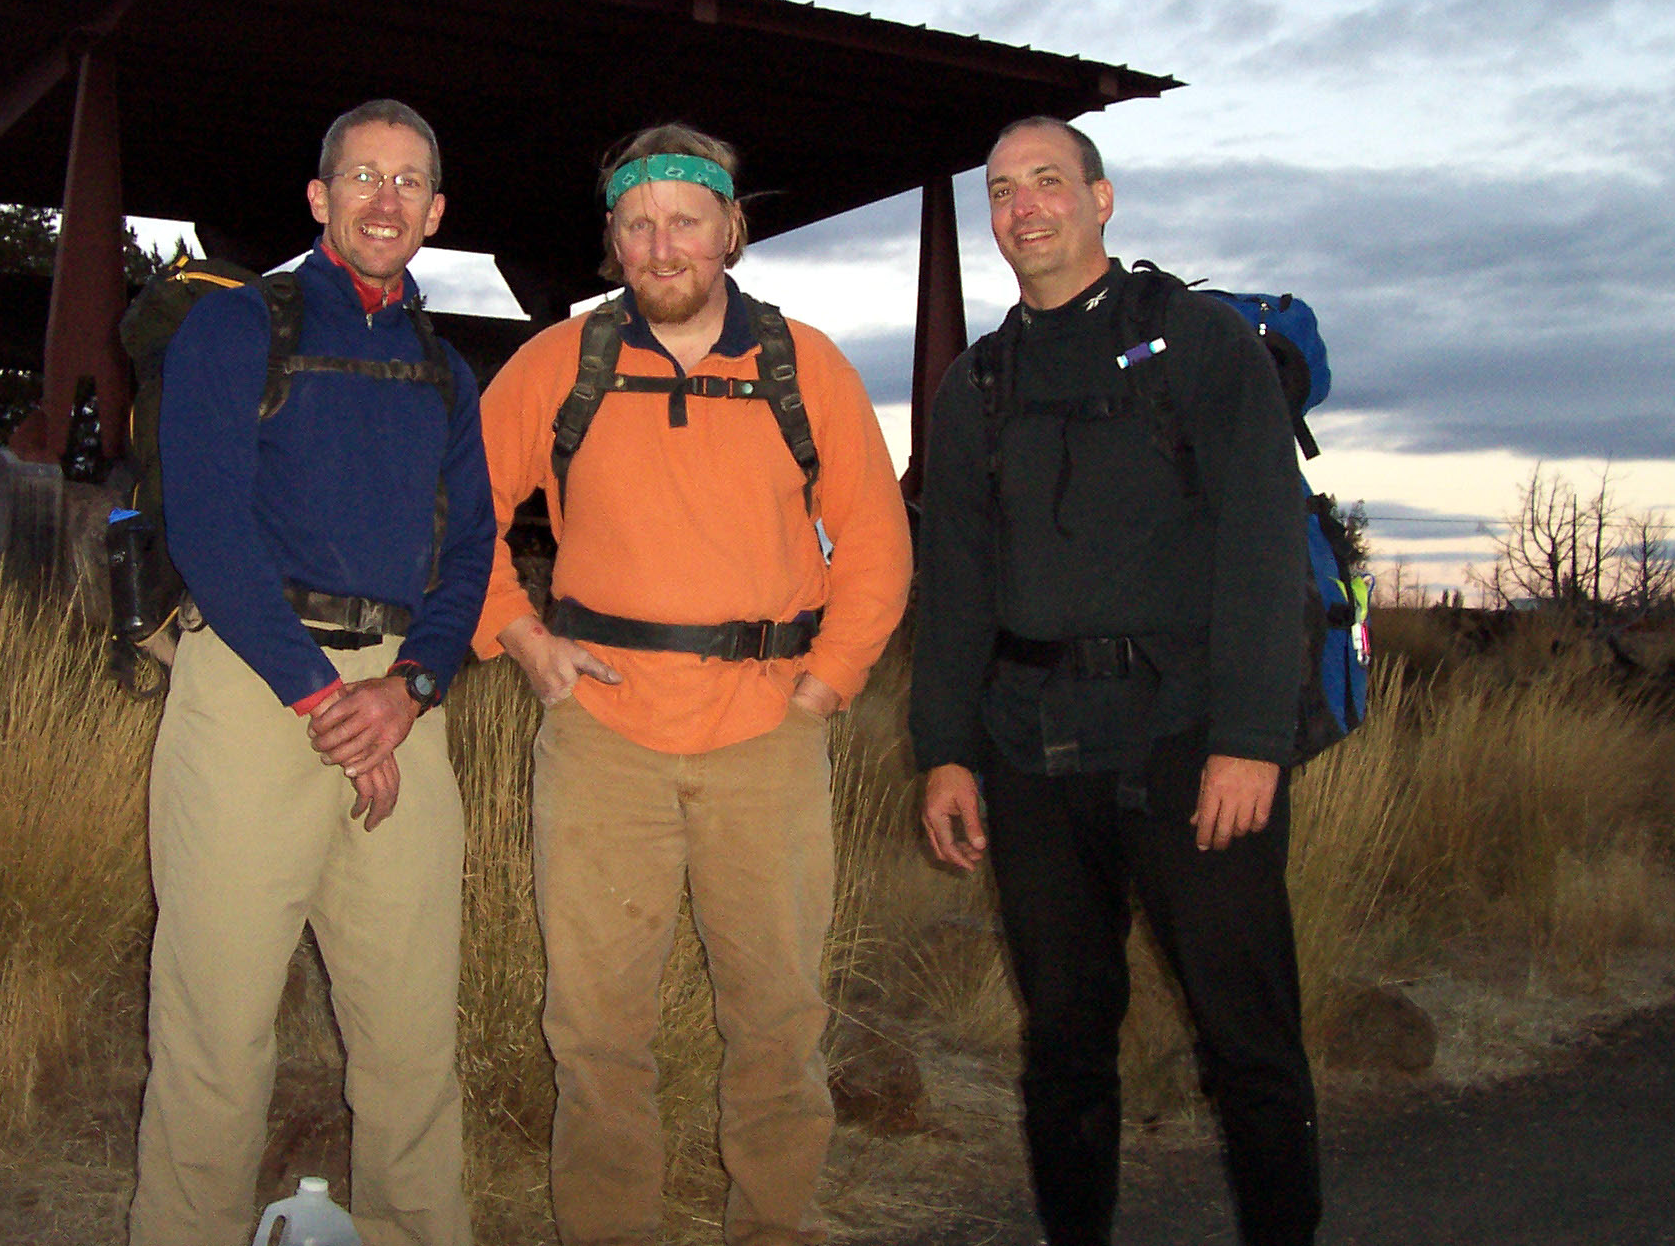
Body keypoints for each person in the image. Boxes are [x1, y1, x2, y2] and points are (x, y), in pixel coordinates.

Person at [474, 124, 911, 1246]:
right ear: (612, 237)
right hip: (601, 739)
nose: (662, 244)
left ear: (732, 231)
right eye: (638, 221)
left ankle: (770, 1228)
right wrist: (523, 639)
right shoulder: (559, 362)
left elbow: (874, 542)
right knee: (597, 1035)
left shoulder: (801, 365)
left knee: (776, 1025)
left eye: (686, 219)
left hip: (767, 736)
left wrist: (825, 687)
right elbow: (451, 515)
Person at [910, 117, 1321, 1246]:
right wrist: (943, 748)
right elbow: (953, 585)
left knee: (1247, 1038)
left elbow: (1260, 544)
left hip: (1192, 740)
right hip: (1031, 750)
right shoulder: (975, 388)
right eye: (1000, 192)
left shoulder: (1197, 346)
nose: (1022, 209)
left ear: (1101, 198)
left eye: (1047, 182)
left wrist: (1251, 738)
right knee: (1065, 1036)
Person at [128, 99, 494, 1246]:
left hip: (399, 703)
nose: (384, 201)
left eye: (408, 184)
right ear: (319, 197)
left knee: (410, 1040)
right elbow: (209, 531)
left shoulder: (446, 370)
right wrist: (322, 697)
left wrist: (413, 688)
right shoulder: (237, 331)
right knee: (215, 1031)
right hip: (252, 682)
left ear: (434, 212)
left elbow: (474, 548)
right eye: (361, 177)